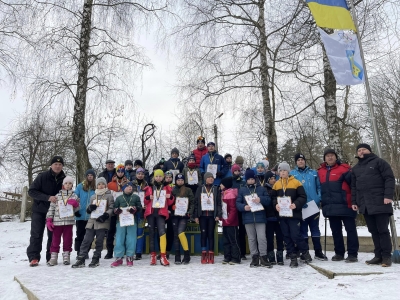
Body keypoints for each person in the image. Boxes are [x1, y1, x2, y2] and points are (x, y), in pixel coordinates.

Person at [351, 143, 395, 267]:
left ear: (369, 151)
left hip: (380, 202)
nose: (361, 152)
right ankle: (378, 256)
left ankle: (386, 256)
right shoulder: (355, 169)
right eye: (359, 150)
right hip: (365, 205)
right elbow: (354, 187)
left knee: (383, 230)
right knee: (373, 231)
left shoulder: (379, 162)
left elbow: (389, 178)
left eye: (363, 149)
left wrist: (388, 196)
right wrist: (354, 202)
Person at [318, 149, 359, 262]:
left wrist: (355, 201)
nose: (330, 158)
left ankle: (352, 254)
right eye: (327, 156)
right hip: (330, 207)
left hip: (346, 204)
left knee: (350, 230)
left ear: (336, 157)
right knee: (336, 231)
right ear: (324, 158)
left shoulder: (345, 169)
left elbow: (354, 185)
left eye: (332, 156)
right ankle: (339, 253)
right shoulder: (320, 171)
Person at [27, 156, 66, 267]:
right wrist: (47, 197)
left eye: (60, 165)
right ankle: (34, 257)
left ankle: (50, 257)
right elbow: (32, 191)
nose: (57, 166)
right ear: (51, 165)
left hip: (55, 212)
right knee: (36, 234)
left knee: (53, 235)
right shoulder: (42, 177)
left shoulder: (65, 179)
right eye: (55, 164)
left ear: (62, 166)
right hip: (39, 210)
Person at [272, 162, 311, 268]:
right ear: (278, 172)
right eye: (281, 171)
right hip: (282, 215)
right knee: (286, 236)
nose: (282, 172)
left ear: (288, 171)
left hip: (294, 214)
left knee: (295, 235)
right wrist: (276, 205)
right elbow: (273, 198)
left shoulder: (296, 183)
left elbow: (303, 197)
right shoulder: (276, 184)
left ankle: (305, 252)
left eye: (284, 170)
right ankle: (293, 257)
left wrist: (296, 204)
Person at [290, 153, 327, 261]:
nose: (300, 161)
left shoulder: (313, 173)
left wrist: (318, 198)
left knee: (315, 229)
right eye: (298, 160)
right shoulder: (292, 174)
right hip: (301, 206)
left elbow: (319, 187)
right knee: (303, 230)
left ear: (305, 161)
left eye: (302, 159)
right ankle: (304, 252)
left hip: (313, 205)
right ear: (296, 162)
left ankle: (318, 251)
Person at [72, 177, 114, 268]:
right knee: (86, 240)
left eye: (103, 184)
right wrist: (89, 209)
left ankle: (96, 257)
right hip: (92, 221)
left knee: (99, 241)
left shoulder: (109, 196)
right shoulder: (93, 196)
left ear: (105, 185)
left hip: (102, 221)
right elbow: (89, 209)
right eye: (99, 184)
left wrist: (106, 215)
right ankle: (81, 257)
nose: (101, 186)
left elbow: (111, 208)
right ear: (96, 185)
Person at [236, 169, 271, 268]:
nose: (251, 181)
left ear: (255, 179)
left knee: (262, 238)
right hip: (248, 218)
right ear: (246, 180)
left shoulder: (261, 189)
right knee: (251, 238)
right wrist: (244, 207)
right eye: (249, 179)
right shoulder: (242, 190)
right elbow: (238, 203)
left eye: (252, 179)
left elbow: (268, 200)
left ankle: (263, 257)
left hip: (260, 217)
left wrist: (261, 199)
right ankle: (254, 257)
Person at [46, 176, 80, 266]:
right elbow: (52, 208)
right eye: (66, 183)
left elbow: (78, 209)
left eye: (70, 183)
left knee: (68, 239)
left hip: (68, 221)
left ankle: (66, 255)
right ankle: (53, 257)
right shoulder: (57, 196)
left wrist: (76, 205)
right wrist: (49, 219)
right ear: (63, 185)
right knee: (55, 240)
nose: (68, 185)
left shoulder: (75, 196)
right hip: (57, 221)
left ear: (72, 185)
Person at [143, 169, 175, 266]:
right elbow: (144, 201)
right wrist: (148, 198)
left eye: (160, 176)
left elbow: (170, 202)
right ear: (154, 177)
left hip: (161, 212)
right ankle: (153, 256)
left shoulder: (166, 188)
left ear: (163, 177)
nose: (158, 178)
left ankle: (163, 255)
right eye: (156, 176)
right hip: (151, 213)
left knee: (162, 233)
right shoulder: (149, 188)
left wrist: (170, 197)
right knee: (152, 233)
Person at [111, 182, 142, 267]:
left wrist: (135, 209)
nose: (130, 187)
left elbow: (140, 207)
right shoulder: (119, 198)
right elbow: (114, 208)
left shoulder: (136, 197)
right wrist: (116, 210)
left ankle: (130, 256)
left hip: (132, 221)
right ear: (123, 188)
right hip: (121, 221)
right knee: (119, 238)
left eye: (131, 186)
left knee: (131, 238)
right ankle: (118, 257)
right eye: (127, 186)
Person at [194, 172, 222, 264]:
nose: (211, 179)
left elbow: (218, 203)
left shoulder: (215, 189)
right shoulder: (200, 188)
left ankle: (211, 254)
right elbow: (196, 203)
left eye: (212, 177)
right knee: (203, 234)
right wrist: (196, 216)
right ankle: (204, 253)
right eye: (209, 177)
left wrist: (218, 214)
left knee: (210, 234)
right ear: (205, 178)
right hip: (202, 215)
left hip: (211, 216)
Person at [105, 164, 129, 259]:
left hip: (123, 211)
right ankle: (109, 251)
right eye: (118, 171)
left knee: (123, 232)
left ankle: (123, 251)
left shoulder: (127, 183)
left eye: (122, 171)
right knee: (110, 231)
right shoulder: (110, 184)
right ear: (116, 172)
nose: (120, 173)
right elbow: (107, 197)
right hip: (113, 210)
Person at [171, 173, 194, 264]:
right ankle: (177, 256)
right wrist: (171, 207)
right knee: (176, 235)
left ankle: (186, 254)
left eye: (182, 180)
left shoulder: (188, 190)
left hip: (184, 216)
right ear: (175, 181)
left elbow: (192, 202)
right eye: (178, 180)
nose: (180, 182)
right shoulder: (173, 190)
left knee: (181, 233)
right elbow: (169, 202)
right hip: (175, 215)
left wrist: (189, 212)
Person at [74, 169, 96, 259]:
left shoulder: (96, 187)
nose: (90, 176)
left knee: (89, 235)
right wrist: (76, 210)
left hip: (91, 216)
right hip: (81, 215)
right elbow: (75, 198)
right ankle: (79, 251)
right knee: (80, 234)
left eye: (91, 175)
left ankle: (86, 251)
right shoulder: (80, 186)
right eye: (88, 175)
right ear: (86, 176)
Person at [264, 171, 284, 265]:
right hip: (268, 218)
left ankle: (280, 255)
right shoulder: (264, 189)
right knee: (269, 238)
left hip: (279, 217)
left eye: (274, 178)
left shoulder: (279, 187)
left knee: (280, 237)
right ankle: (271, 255)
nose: (273, 180)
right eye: (271, 179)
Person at [220, 177, 241, 265]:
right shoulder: (223, 193)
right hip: (225, 220)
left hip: (231, 222)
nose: (220, 185)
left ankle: (236, 257)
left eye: (221, 184)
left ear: (225, 185)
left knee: (233, 240)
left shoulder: (231, 194)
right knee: (226, 240)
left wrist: (229, 220)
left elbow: (233, 209)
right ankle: (227, 256)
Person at [132, 167, 149, 260]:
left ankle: (138, 252)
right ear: (136, 174)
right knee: (132, 232)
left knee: (140, 232)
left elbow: (148, 197)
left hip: (142, 211)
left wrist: (146, 205)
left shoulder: (146, 185)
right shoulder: (131, 184)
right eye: (138, 173)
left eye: (142, 174)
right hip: (133, 211)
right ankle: (131, 250)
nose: (140, 175)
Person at [231, 163, 247, 260]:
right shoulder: (230, 181)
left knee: (242, 230)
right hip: (232, 208)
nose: (237, 172)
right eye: (235, 171)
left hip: (241, 208)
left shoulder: (243, 182)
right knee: (233, 231)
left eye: (238, 171)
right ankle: (234, 251)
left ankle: (243, 252)